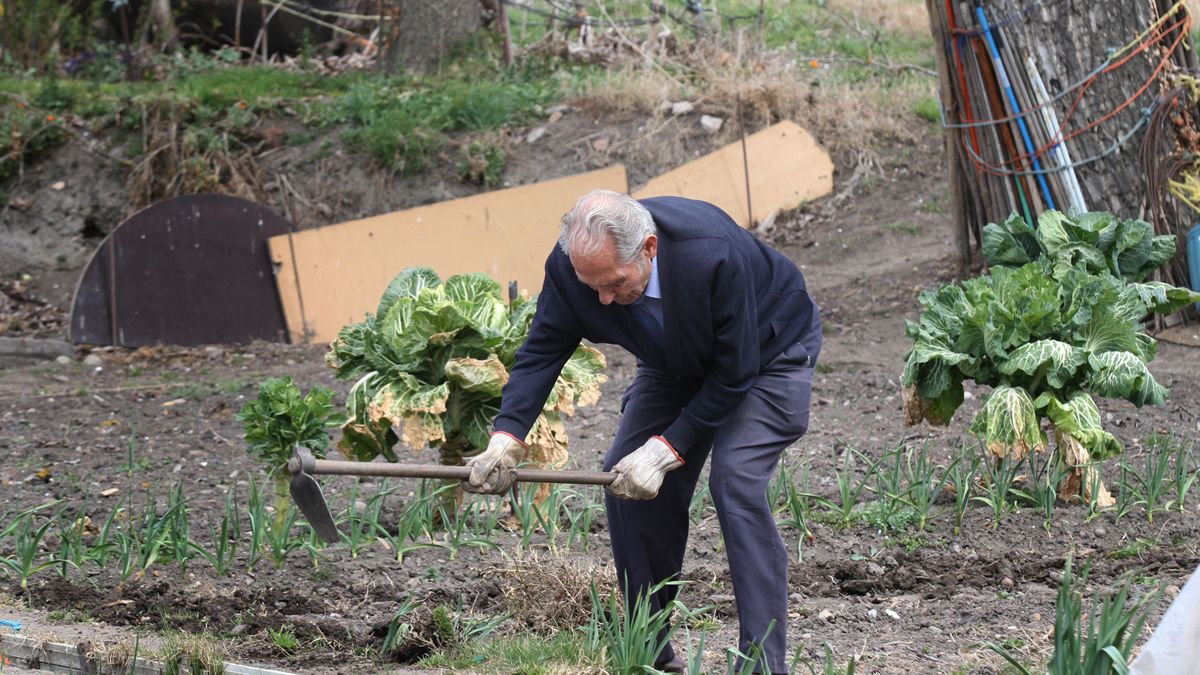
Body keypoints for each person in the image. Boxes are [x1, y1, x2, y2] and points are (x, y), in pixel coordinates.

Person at [463, 189, 822, 674]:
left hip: (766, 355)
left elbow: (735, 372)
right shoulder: (577, 268)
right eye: (594, 289)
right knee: (624, 483)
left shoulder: (710, 252)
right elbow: (542, 351)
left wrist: (667, 448)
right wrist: (506, 439)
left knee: (734, 481)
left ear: (649, 249)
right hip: (672, 359)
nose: (604, 300)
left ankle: (761, 664)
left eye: (614, 283)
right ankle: (648, 655)